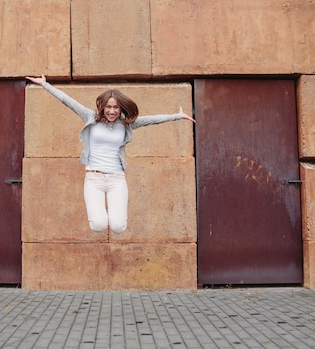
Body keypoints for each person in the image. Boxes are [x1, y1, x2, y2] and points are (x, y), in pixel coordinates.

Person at [25, 75, 195, 234]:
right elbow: (67, 101)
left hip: (116, 179)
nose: (112, 111)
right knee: (98, 226)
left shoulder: (126, 124)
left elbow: (152, 119)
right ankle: (101, 215)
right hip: (94, 178)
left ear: (120, 108)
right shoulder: (90, 117)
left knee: (118, 227)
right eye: (108, 107)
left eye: (116, 107)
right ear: (102, 107)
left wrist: (177, 116)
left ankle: (113, 218)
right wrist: (45, 84)